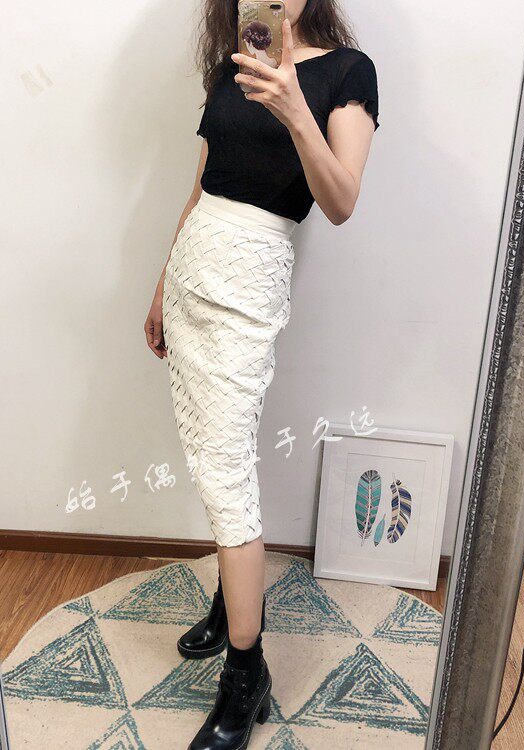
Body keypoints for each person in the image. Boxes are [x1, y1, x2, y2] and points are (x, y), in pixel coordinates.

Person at [143, 2, 379, 747]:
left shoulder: (348, 72)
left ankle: (247, 676)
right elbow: (202, 184)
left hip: (250, 277)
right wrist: (162, 284)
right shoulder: (234, 65)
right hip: (195, 265)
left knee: (225, 471)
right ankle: (230, 600)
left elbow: (340, 201)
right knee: (210, 455)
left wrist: (293, 108)